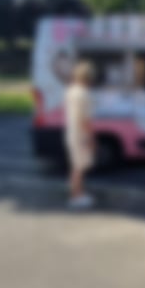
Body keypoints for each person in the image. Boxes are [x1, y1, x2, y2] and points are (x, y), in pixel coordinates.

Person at [65, 61, 96, 210]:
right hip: (81, 135)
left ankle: (78, 194)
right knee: (79, 168)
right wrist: (91, 137)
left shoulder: (71, 90)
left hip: (72, 133)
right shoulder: (84, 94)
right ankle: (76, 197)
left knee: (76, 167)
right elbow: (84, 120)